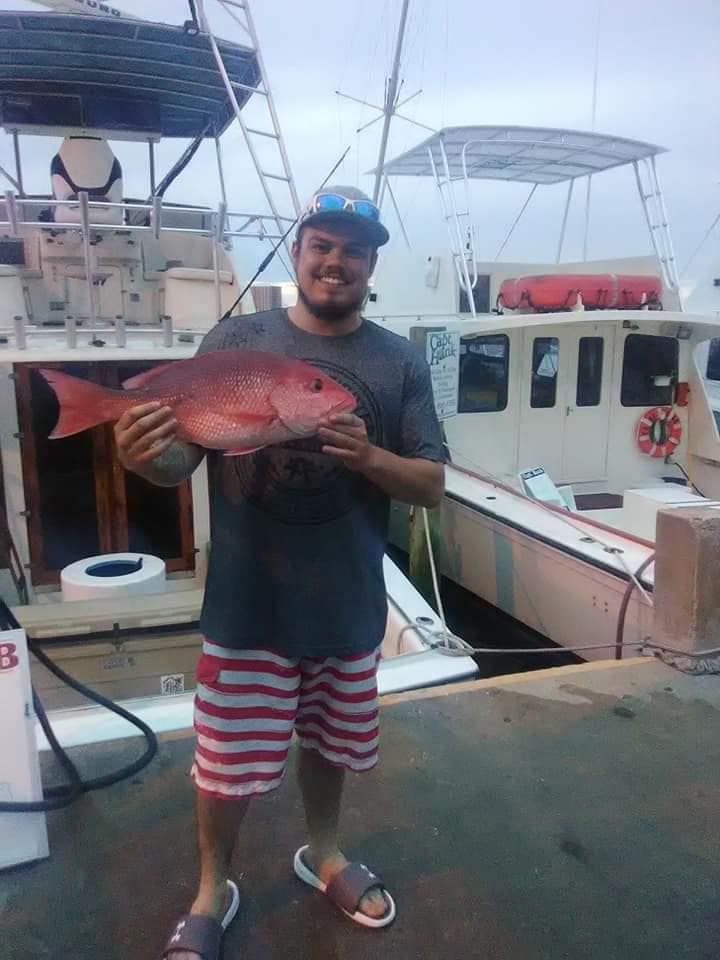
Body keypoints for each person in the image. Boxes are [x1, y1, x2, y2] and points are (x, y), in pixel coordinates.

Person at [114, 185, 445, 959]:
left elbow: (431, 484)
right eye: (321, 245)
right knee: (224, 764)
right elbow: (182, 459)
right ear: (298, 252)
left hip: (347, 605)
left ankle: (323, 853)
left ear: (370, 265)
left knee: (329, 747)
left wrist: (368, 457)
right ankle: (211, 889)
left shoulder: (398, 362)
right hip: (248, 603)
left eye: (353, 251)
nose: (336, 262)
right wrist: (142, 458)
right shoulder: (237, 338)